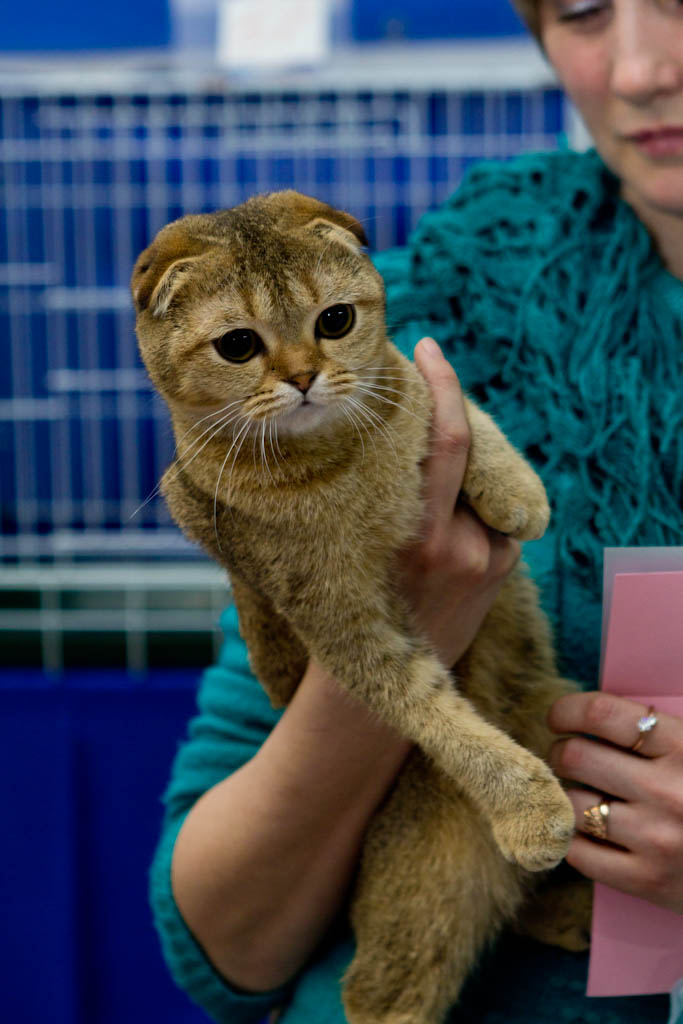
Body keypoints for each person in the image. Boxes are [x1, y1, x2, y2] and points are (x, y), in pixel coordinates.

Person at [149, 1, 683, 1021]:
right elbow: (226, 938)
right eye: (580, 10)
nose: (637, 69)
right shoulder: (403, 317)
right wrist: (409, 629)